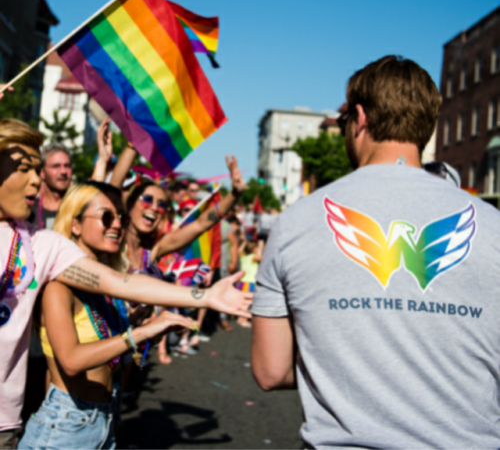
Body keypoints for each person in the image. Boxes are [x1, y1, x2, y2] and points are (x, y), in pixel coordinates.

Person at [251, 55, 500, 448]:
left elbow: (270, 370)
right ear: (427, 125)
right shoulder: (494, 226)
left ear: (360, 118)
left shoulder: (295, 222)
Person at [0, 118, 250, 448]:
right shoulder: (55, 278)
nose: (37, 180)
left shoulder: (42, 246)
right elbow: (72, 359)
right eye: (24, 168)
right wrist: (137, 334)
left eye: (38, 169)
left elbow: (122, 283)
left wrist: (204, 295)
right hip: (64, 418)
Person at [19, 182, 195, 450]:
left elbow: (97, 335)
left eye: (120, 218)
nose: (116, 225)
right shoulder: (58, 287)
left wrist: (139, 321)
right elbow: (71, 360)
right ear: (75, 225)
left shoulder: (103, 287)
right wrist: (138, 333)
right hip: (67, 425)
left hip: (104, 417)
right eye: (106, 217)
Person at [31, 142, 72, 229]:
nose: (63, 172)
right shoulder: (29, 210)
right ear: (42, 172)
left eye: (67, 166)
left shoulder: (79, 207)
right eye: (55, 166)